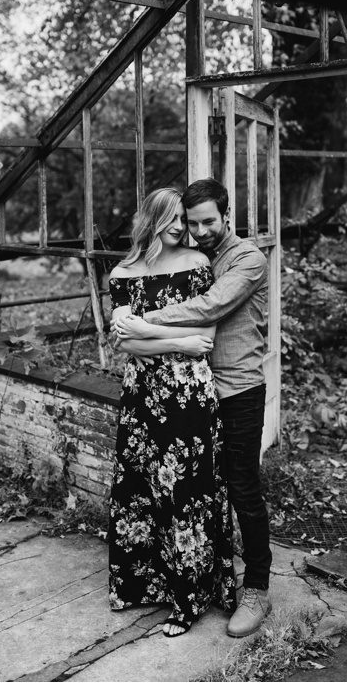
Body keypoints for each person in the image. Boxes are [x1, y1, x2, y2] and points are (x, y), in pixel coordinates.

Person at [113, 177, 272, 637]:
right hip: (192, 395)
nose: (199, 230)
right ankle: (207, 578)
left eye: (208, 221)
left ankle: (257, 588)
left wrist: (138, 321)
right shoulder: (186, 256)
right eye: (191, 221)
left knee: (242, 488)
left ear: (226, 216)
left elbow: (209, 307)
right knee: (198, 491)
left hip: (237, 388)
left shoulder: (247, 258)